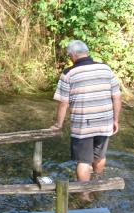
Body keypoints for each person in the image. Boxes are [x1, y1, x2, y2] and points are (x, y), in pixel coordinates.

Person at [49, 40, 122, 184]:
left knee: (83, 161)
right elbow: (117, 97)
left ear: (73, 55)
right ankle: (98, 184)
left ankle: (84, 193)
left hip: (83, 124)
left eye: (69, 55)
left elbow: (63, 103)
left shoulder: (68, 73)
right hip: (105, 121)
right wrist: (115, 120)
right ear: (86, 52)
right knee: (100, 156)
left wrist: (58, 124)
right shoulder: (105, 69)